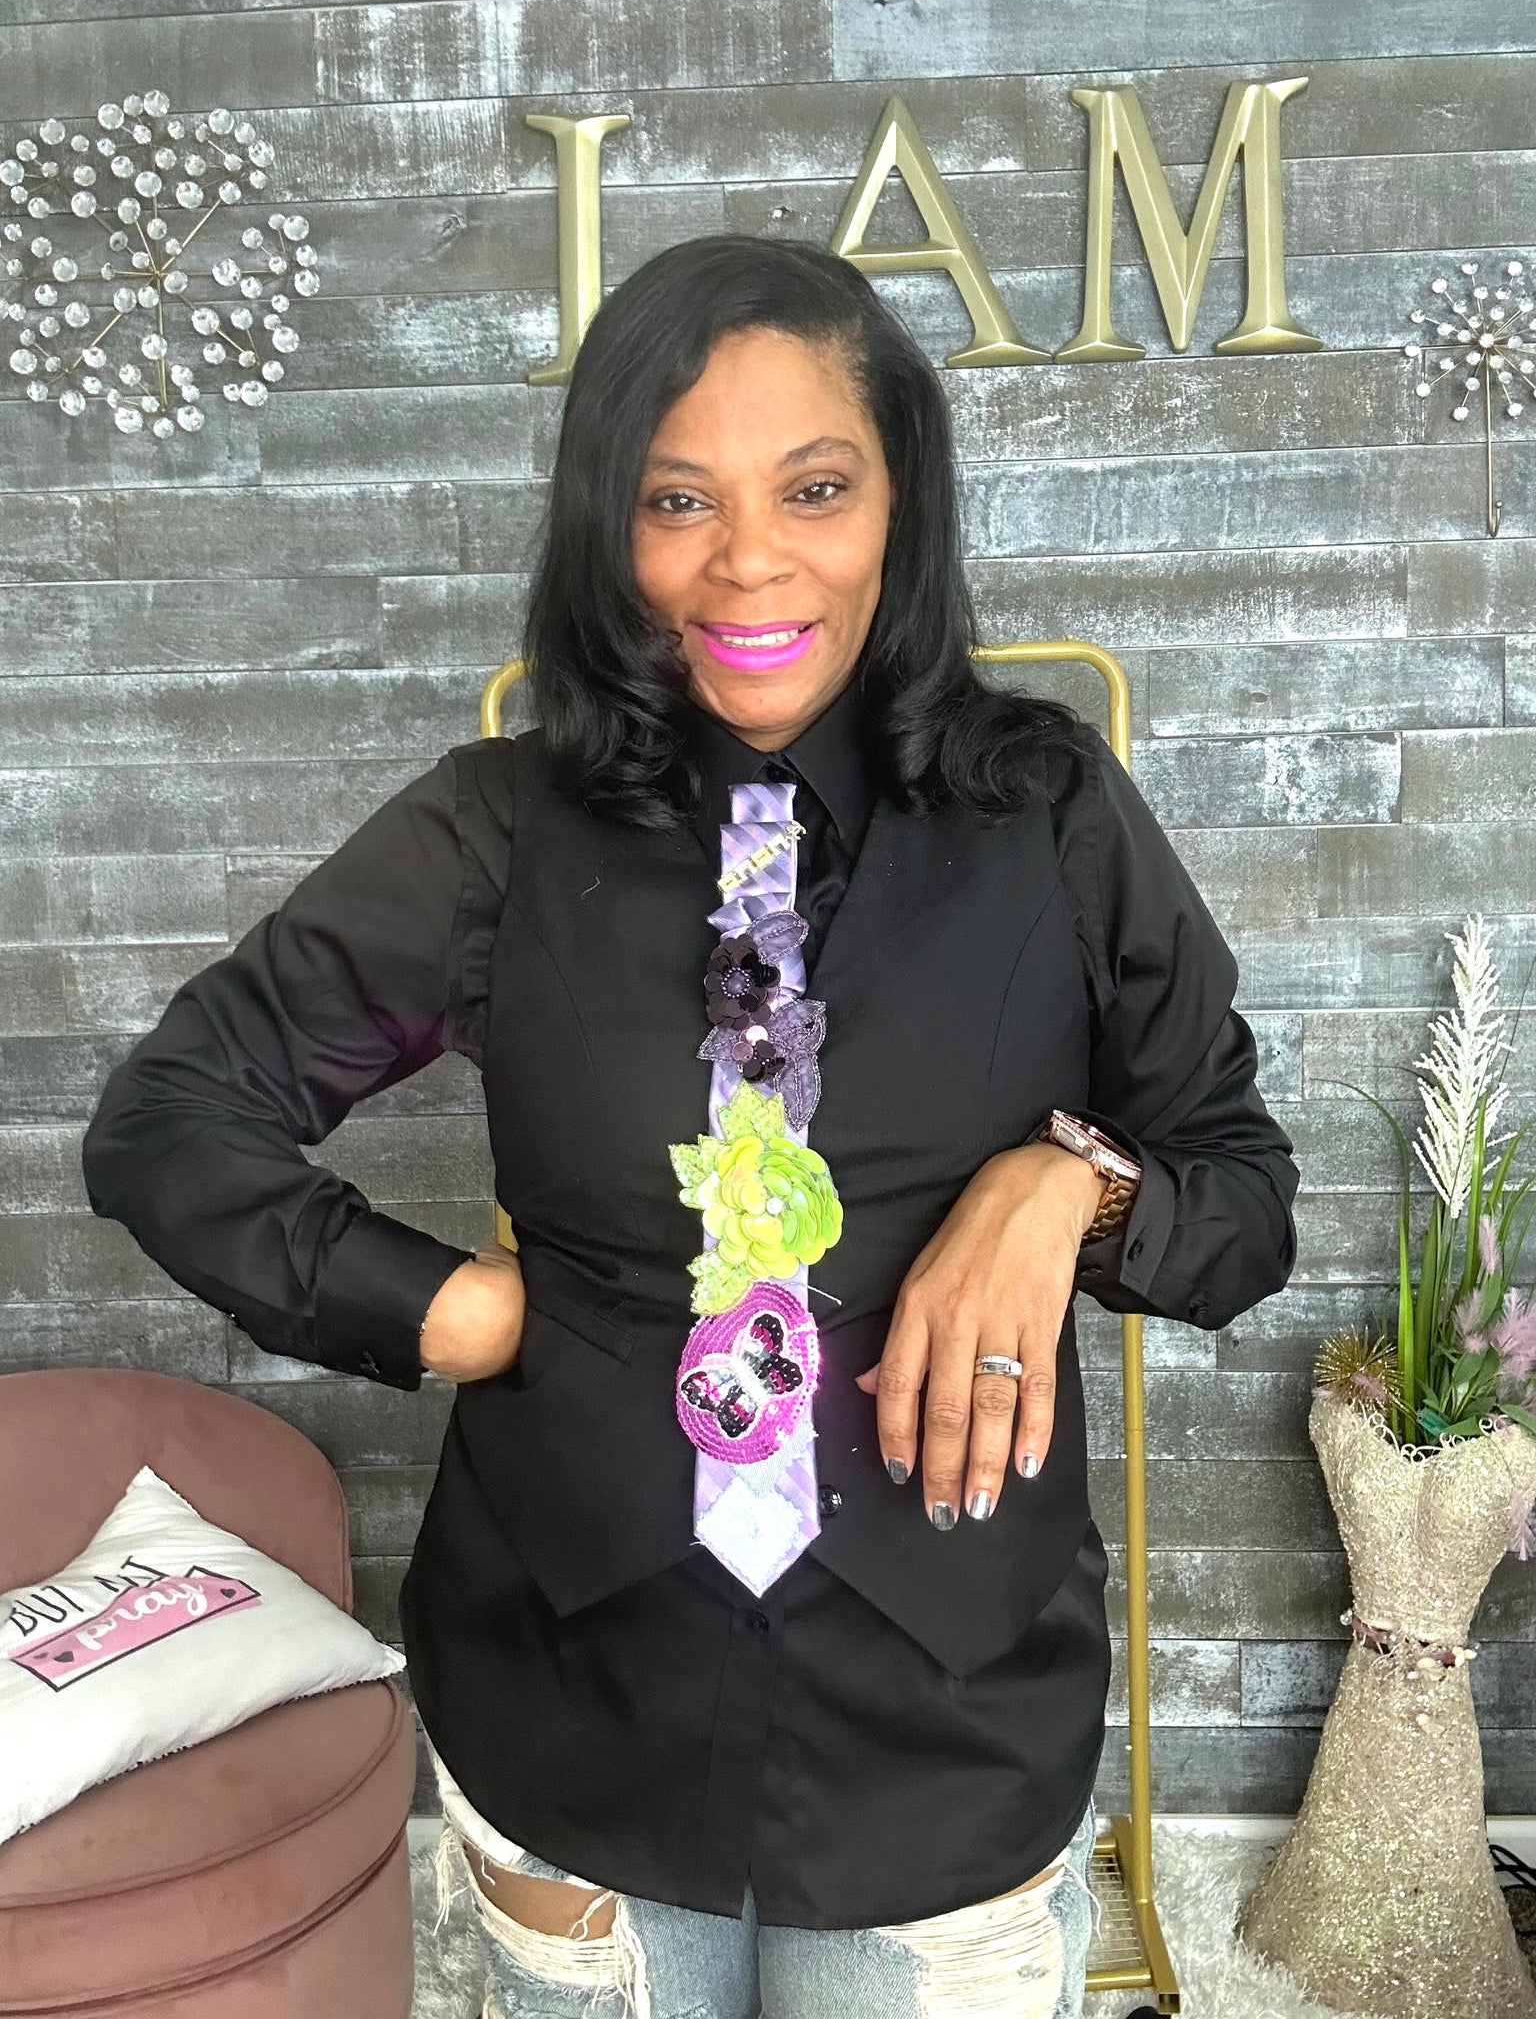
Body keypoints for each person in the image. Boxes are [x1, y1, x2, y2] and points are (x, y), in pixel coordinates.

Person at [80, 233, 1299, 2019]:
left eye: (815, 487)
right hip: (574, 1708)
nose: (749, 559)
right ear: (610, 528)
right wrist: (441, 1309)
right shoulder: (493, 834)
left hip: (941, 1733)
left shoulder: (1050, 815)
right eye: (677, 501)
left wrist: (1072, 1187)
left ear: (898, 505)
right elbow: (172, 1118)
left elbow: (1242, 1204)